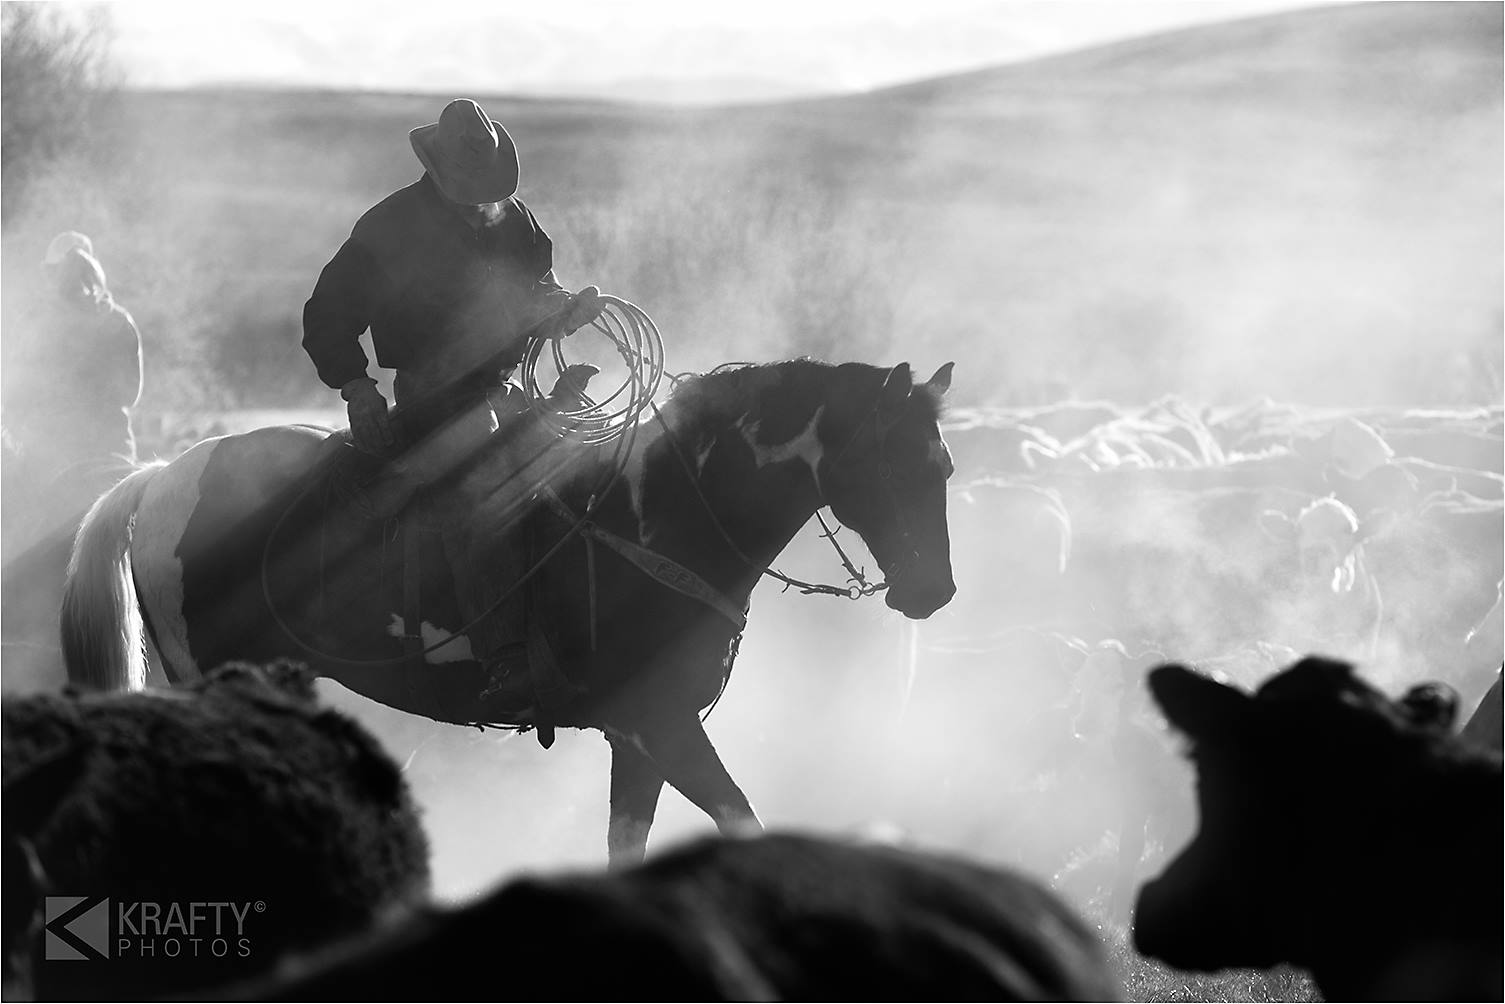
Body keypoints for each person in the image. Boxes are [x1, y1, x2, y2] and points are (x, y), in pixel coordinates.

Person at [301, 97, 603, 693]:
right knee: (483, 489)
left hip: (502, 386)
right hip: (430, 392)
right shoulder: (390, 227)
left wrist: (566, 309)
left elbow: (538, 292)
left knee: (584, 461)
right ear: (438, 171)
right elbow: (327, 315)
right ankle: (503, 655)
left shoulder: (514, 221)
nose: (480, 200)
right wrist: (358, 387)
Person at [5, 231, 144, 486]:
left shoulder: (34, 323)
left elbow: (15, 396)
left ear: (50, 272)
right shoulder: (118, 320)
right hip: (113, 454)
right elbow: (130, 394)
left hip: (50, 461)